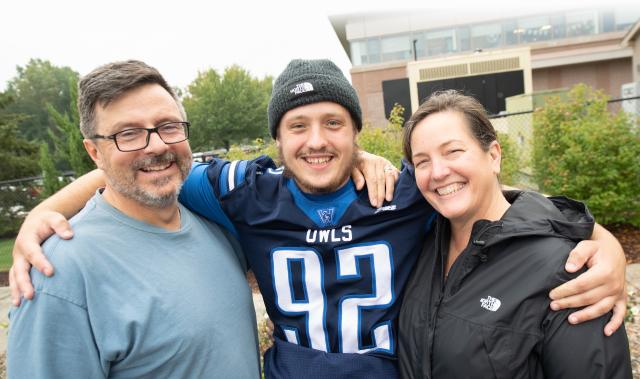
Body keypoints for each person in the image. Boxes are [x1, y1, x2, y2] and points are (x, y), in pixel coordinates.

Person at [10, 60, 628, 378]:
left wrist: (598, 240)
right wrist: (47, 208)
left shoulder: (405, 188)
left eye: (335, 124)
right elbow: (150, 162)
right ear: (274, 139)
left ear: (359, 134)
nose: (316, 140)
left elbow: (488, 194)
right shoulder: (242, 189)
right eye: (296, 126)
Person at [7, 61, 261, 378]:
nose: (157, 145)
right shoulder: (58, 273)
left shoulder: (218, 226)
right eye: (128, 133)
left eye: (168, 126)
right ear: (94, 153)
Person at [398, 91, 631, 378]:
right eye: (422, 162)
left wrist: (608, 244)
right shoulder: (418, 244)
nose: (438, 172)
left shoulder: (567, 270)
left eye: (453, 151)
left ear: (493, 155)